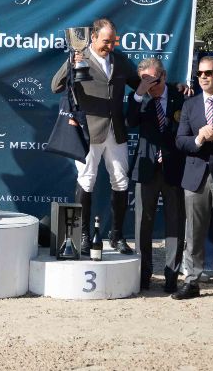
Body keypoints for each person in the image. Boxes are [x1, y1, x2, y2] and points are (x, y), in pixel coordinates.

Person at [51, 18, 141, 255]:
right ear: (93, 37)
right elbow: (55, 86)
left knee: (121, 181)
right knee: (86, 180)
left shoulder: (120, 60)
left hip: (117, 131)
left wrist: (173, 87)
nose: (110, 46)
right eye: (105, 41)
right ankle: (83, 235)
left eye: (113, 41)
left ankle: (117, 235)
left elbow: (140, 84)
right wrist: (71, 63)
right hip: (88, 130)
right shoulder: (80, 57)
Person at [172, 55, 213, 305]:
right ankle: (192, 281)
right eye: (200, 73)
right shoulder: (190, 105)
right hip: (195, 175)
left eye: (208, 73)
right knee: (194, 232)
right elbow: (181, 140)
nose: (203, 77)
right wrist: (199, 139)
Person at [126, 58, 186, 292]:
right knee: (143, 224)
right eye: (145, 80)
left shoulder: (180, 95)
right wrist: (140, 93)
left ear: (163, 75)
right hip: (147, 168)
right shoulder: (140, 100)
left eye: (154, 79)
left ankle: (172, 277)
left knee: (175, 223)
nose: (151, 84)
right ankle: (144, 275)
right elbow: (130, 122)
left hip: (174, 168)